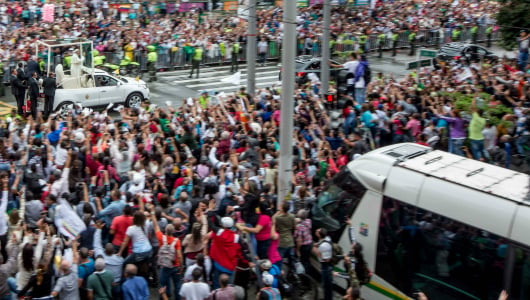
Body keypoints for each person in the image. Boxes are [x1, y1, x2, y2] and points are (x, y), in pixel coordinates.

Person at [150, 205, 183, 300]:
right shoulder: (177, 241)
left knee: (163, 283)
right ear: (173, 231)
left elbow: (155, 225)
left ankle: (164, 296)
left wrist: (152, 212)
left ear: (165, 231)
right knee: (177, 285)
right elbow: (179, 256)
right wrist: (181, 266)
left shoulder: (161, 238)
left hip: (165, 265)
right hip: (175, 265)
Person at [314, 228, 333, 300]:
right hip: (327, 266)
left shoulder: (323, 246)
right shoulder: (327, 238)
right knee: (328, 285)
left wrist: (316, 249)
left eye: (317, 231)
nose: (316, 231)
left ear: (319, 235)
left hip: (326, 267)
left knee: (326, 285)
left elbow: (326, 259)